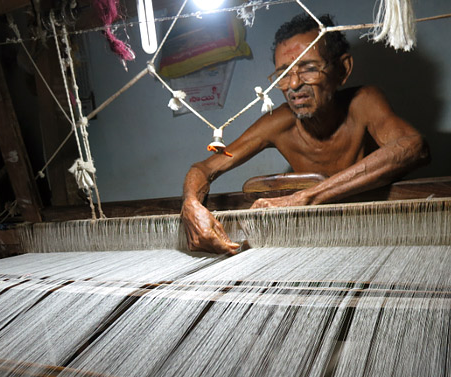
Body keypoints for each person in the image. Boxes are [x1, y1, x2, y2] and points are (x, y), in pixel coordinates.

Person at [180, 13, 430, 254]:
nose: (294, 84)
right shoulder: (279, 122)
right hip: (311, 241)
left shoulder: (364, 103)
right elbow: (204, 168)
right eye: (284, 74)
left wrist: (304, 199)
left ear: (343, 69)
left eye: (308, 68)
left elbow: (413, 148)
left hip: (375, 236)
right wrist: (190, 203)